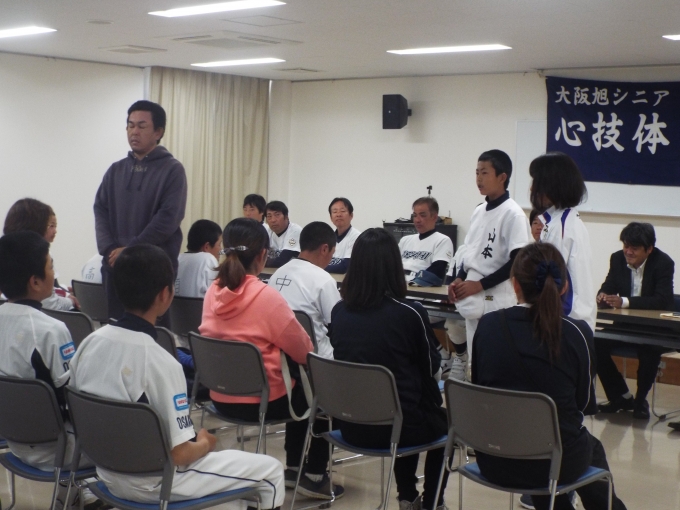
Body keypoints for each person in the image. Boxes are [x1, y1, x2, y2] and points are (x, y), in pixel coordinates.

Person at [68, 244, 285, 508]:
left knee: (232, 503)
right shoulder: (161, 362)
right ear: (165, 294)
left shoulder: (88, 344)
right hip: (156, 481)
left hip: (105, 473)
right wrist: (205, 443)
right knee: (271, 473)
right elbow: (180, 454)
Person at [472, 242, 627, 510]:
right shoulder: (576, 333)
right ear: (564, 286)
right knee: (586, 447)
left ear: (514, 284)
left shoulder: (487, 325)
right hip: (553, 463)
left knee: (550, 445)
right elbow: (582, 405)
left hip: (493, 459)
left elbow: (481, 388)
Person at [199, 218, 343, 500]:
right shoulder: (265, 297)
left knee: (296, 386)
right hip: (262, 402)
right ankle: (314, 475)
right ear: (263, 254)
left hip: (220, 396)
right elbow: (304, 351)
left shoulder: (212, 291)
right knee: (323, 391)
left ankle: (293, 468)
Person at [330, 228, 449, 510]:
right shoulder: (410, 312)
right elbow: (432, 367)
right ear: (394, 266)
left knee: (404, 405)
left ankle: (408, 497)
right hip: (397, 427)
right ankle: (431, 503)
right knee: (440, 421)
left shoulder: (339, 311)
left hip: (350, 425)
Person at [0, 231, 101, 509]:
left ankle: (72, 495)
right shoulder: (50, 329)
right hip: (58, 451)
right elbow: (72, 398)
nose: (54, 273)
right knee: (132, 433)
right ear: (35, 282)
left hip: (14, 443)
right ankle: (85, 495)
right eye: (51, 266)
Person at [94, 100, 187, 322]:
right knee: (116, 330)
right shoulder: (115, 170)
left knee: (152, 334)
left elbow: (168, 218)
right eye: (130, 125)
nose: (134, 131)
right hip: (116, 267)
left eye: (142, 126)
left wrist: (131, 250)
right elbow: (100, 210)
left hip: (152, 269)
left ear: (158, 132)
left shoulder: (172, 170)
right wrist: (110, 250)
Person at [448, 150, 532, 376]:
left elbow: (518, 261)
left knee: (494, 360)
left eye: (484, 173)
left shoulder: (513, 214)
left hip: (497, 297)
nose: (478, 179)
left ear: (502, 177)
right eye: (477, 172)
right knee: (475, 361)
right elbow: (469, 251)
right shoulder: (479, 211)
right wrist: (459, 278)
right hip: (472, 294)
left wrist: (480, 284)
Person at [595, 222, 674, 420]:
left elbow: (662, 300)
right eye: (626, 246)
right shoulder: (617, 258)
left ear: (649, 249)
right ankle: (620, 396)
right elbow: (608, 285)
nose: (628, 252)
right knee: (594, 342)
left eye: (634, 248)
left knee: (649, 350)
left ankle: (640, 401)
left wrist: (624, 302)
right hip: (624, 326)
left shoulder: (664, 263)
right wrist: (603, 296)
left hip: (653, 329)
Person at [529, 152, 596, 332]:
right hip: (571, 320)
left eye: (536, 181)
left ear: (551, 184)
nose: (531, 188)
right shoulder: (561, 220)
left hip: (566, 320)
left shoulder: (560, 226)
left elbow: (551, 280)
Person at [269, 221, 341, 359]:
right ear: (325, 249)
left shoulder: (277, 274)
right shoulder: (324, 280)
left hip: (281, 356)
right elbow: (337, 324)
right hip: (316, 359)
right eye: (332, 253)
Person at [3, 197, 79, 310]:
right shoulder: (38, 258)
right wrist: (71, 301)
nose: (55, 231)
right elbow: (49, 304)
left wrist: (62, 291)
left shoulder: (5, 254)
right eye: (50, 225)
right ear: (36, 227)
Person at [399, 196, 453, 287]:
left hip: (420, 285)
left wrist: (412, 282)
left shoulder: (442, 240)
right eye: (415, 215)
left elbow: (437, 271)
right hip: (399, 283)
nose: (417, 220)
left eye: (422, 215)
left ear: (434, 217)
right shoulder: (405, 240)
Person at [175, 219, 222, 298]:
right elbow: (216, 297)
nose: (221, 249)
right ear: (207, 247)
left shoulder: (178, 258)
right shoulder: (208, 259)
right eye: (219, 244)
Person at [325, 197, 361, 274]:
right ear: (331, 217)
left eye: (343, 211)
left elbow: (346, 266)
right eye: (335, 212)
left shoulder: (357, 237)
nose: (338, 215)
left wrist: (319, 267)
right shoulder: (327, 236)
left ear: (351, 215)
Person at [264, 201, 302, 268]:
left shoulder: (295, 231)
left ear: (286, 217)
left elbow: (282, 261)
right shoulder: (267, 231)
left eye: (277, 215)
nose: (273, 220)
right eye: (269, 216)